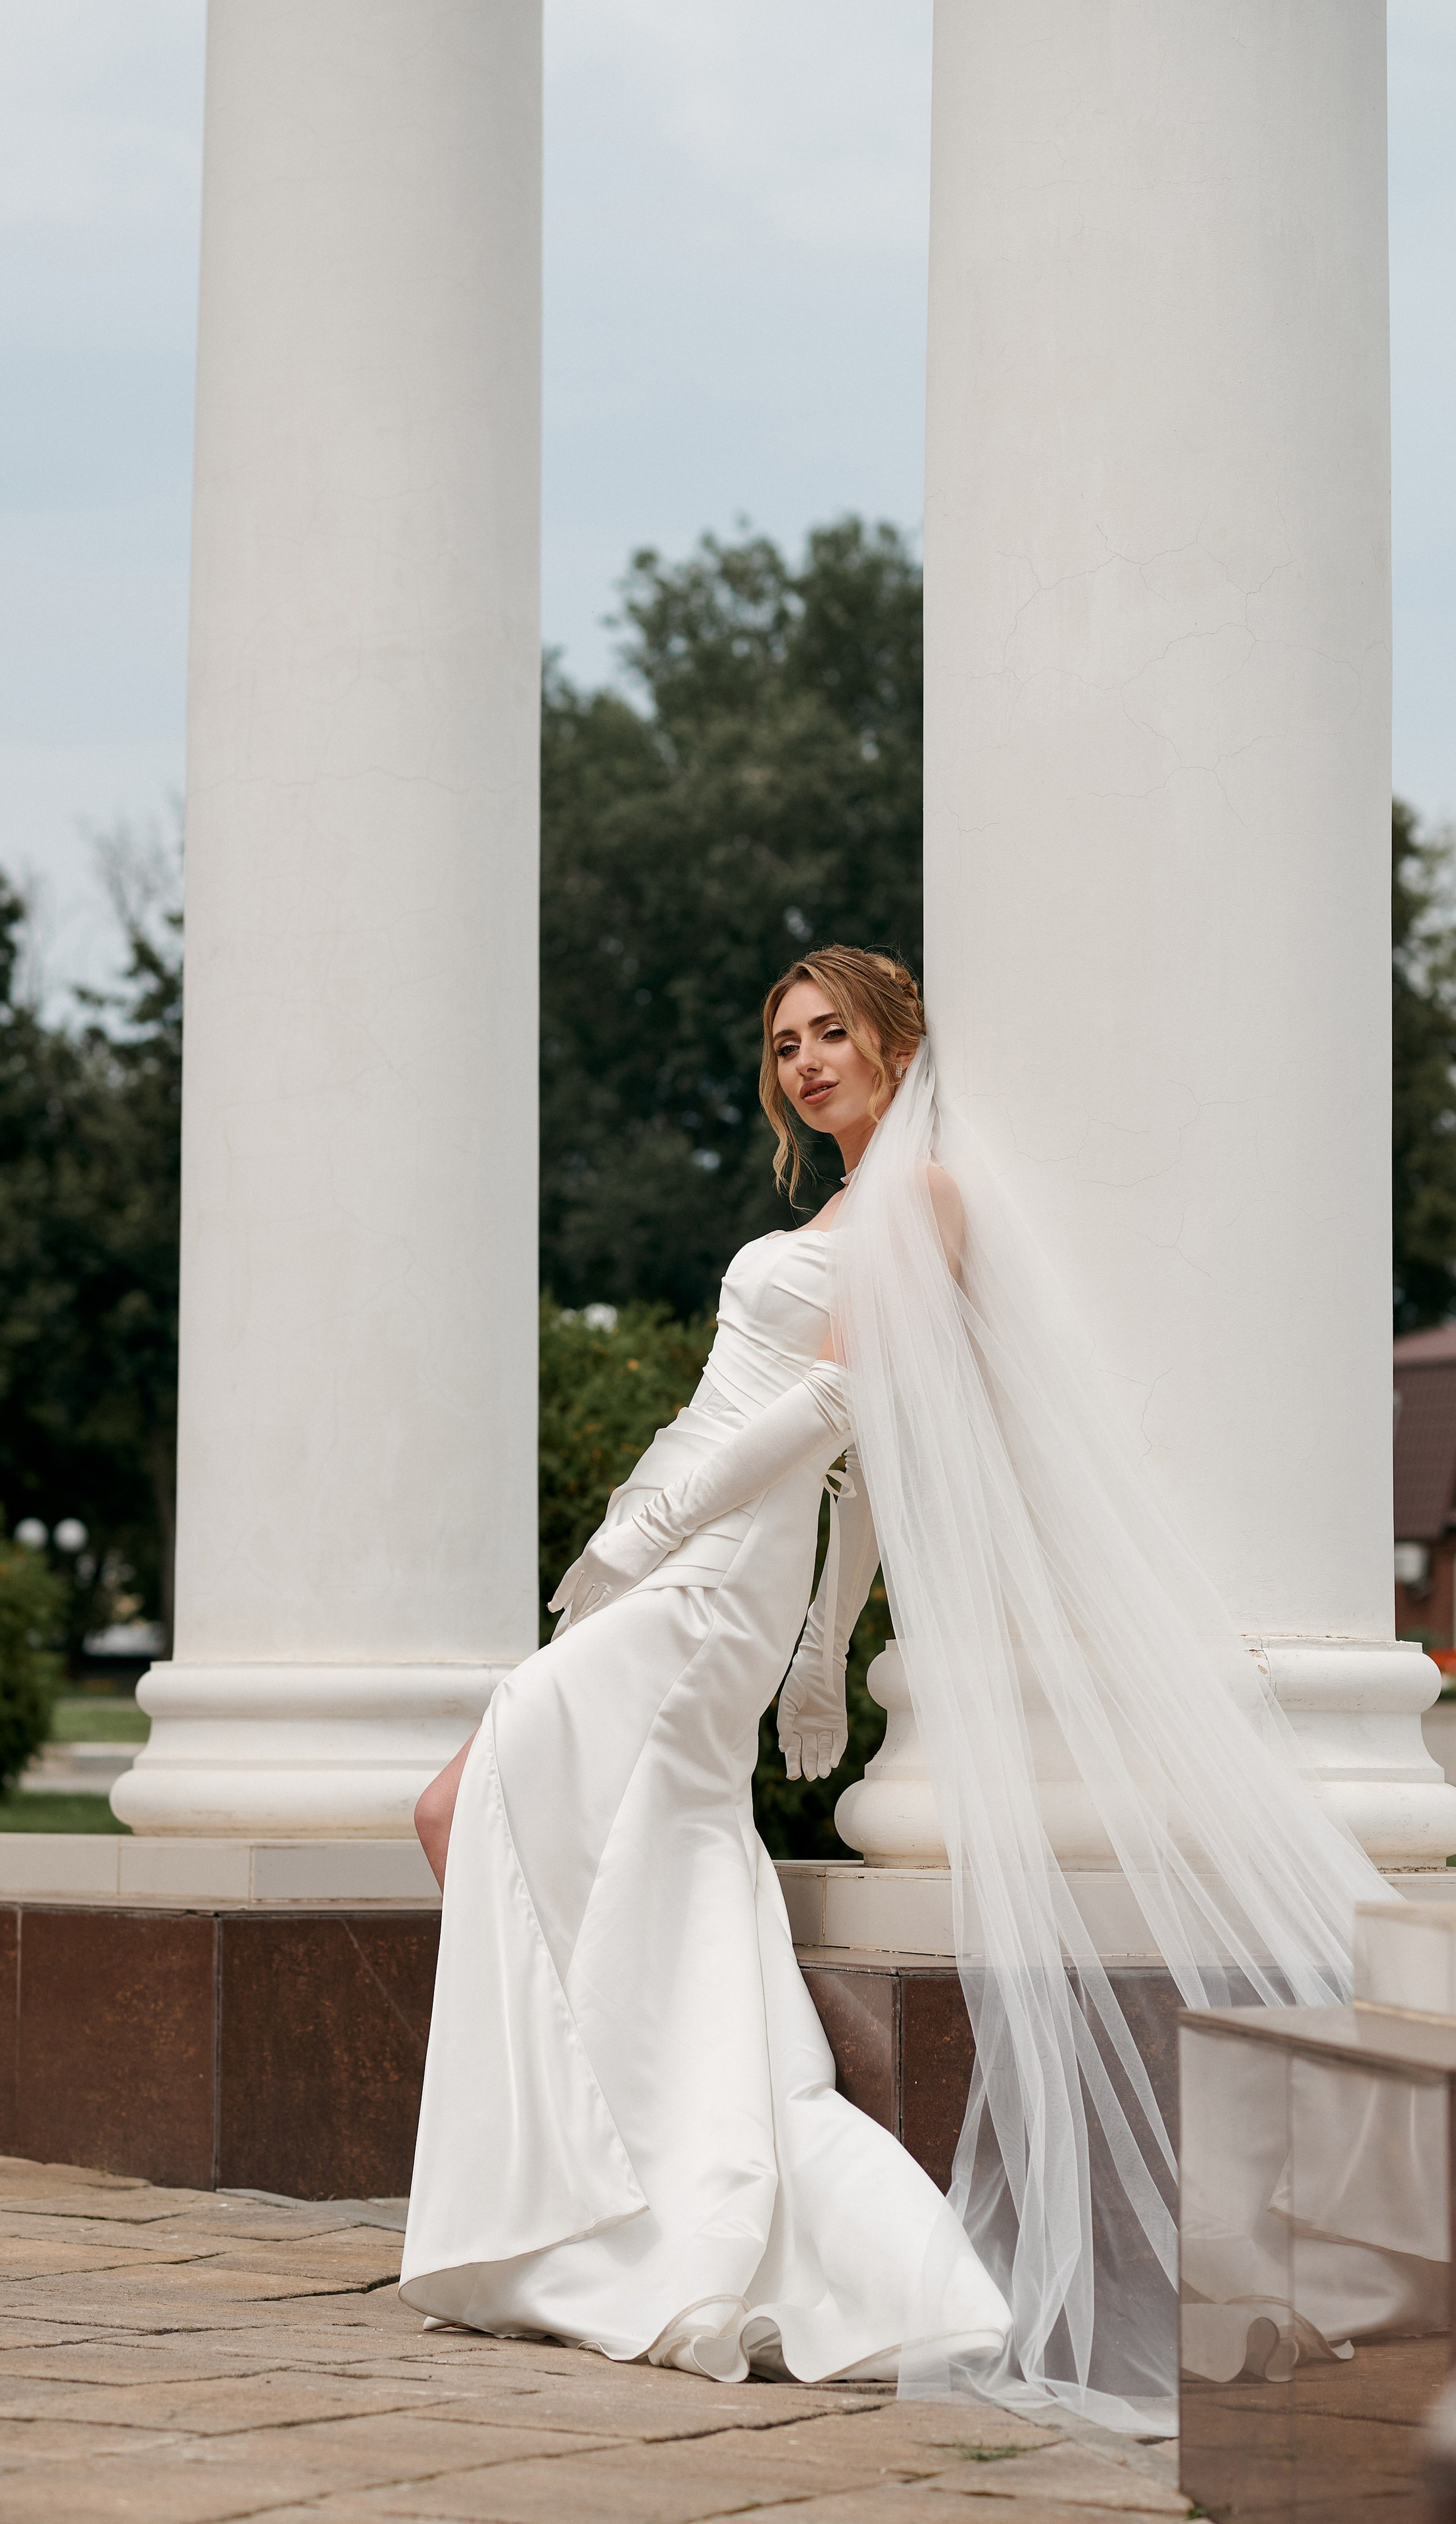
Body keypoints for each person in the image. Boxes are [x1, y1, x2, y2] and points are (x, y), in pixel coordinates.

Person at [400, 946, 1388, 2427]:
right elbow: (847, 1473)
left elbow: (853, 1417)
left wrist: (673, 1536)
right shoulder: (836, 1211)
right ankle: (622, 2196)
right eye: (785, 1042)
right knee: (570, 1842)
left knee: (461, 1800)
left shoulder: (923, 1201)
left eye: (831, 1033)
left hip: (702, 1563)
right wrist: (763, 1609)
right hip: (691, 1546)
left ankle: (616, 2202)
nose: (804, 1062)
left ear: (894, 1040)